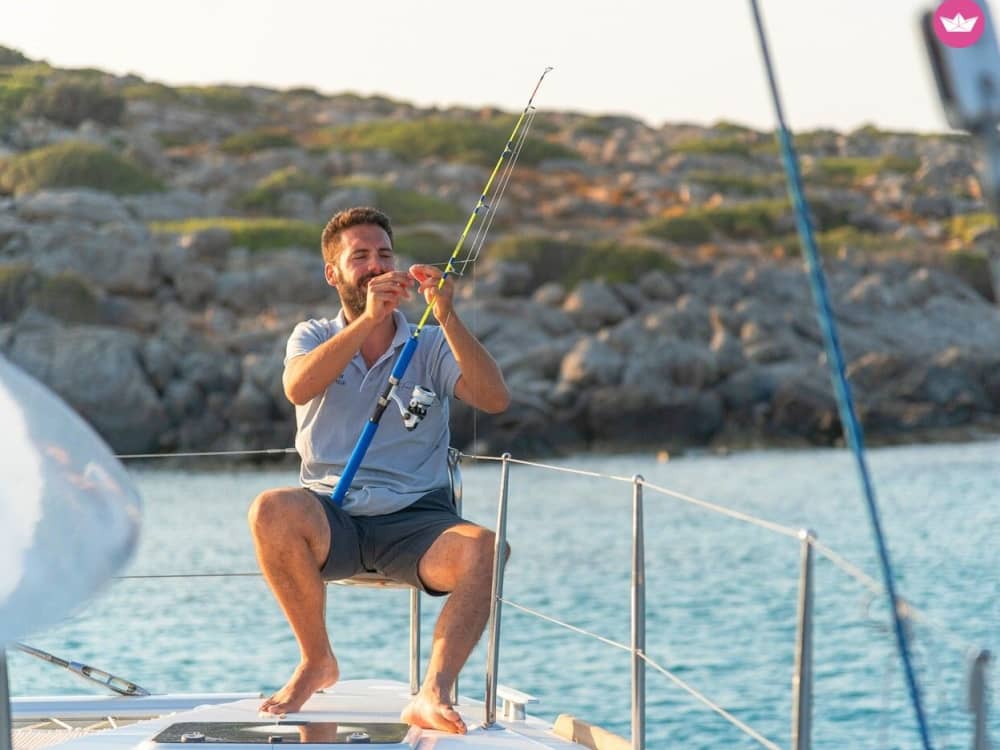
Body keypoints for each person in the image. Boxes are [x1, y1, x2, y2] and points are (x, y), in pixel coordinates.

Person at [247, 206, 510, 734]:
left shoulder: (430, 344)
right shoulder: (312, 333)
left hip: (417, 518)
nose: (375, 265)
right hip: (332, 512)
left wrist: (449, 315)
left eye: (384, 254)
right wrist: (367, 321)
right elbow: (297, 387)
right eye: (360, 256)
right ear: (334, 273)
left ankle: (432, 692)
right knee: (269, 510)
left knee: (484, 547)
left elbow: (494, 398)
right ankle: (316, 660)